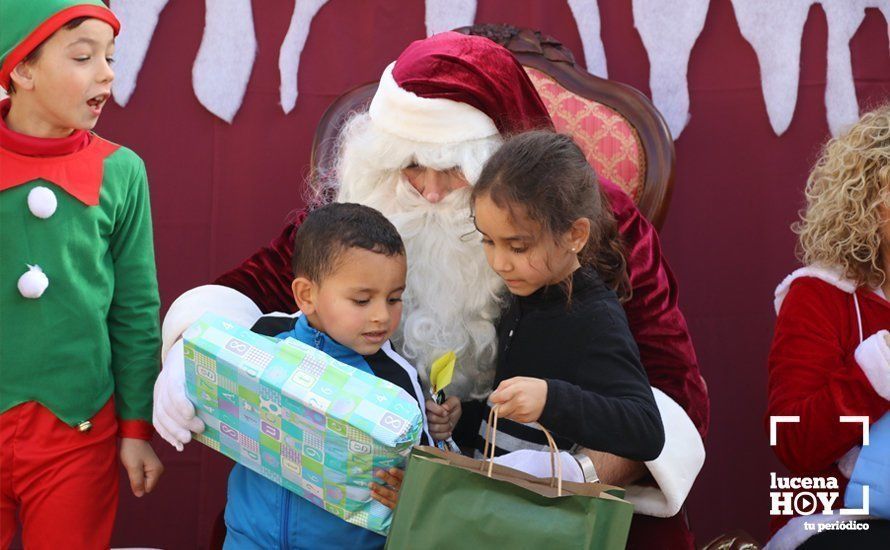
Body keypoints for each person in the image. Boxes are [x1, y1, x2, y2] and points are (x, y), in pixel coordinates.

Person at [154, 31, 708, 548]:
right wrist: (190, 348)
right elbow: (248, 288)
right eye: (412, 165)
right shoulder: (362, 210)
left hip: (531, 505)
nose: (432, 191)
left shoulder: (583, 224)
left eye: (454, 170)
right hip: (358, 504)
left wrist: (559, 478)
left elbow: (666, 393)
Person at [0, 2, 164, 548]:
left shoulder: (123, 171)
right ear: (21, 69)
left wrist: (136, 427)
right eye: (82, 56)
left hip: (77, 431)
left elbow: (135, 308)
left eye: (110, 57)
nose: (106, 73)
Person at [223, 203, 431, 549]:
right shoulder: (263, 337)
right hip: (248, 537)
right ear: (307, 295)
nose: (382, 316)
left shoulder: (395, 381)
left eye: (394, 299)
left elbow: (424, 481)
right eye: (362, 300)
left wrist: (411, 487)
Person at [471, 130, 665, 470]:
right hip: (491, 502)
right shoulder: (519, 292)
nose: (500, 262)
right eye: (488, 241)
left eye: (518, 247)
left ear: (575, 235)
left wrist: (550, 400)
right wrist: (463, 414)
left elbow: (646, 428)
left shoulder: (594, 317)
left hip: (543, 511)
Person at [766, 105, 890, 549]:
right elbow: (792, 440)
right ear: (863, 205)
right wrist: (876, 373)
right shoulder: (820, 296)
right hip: (853, 522)